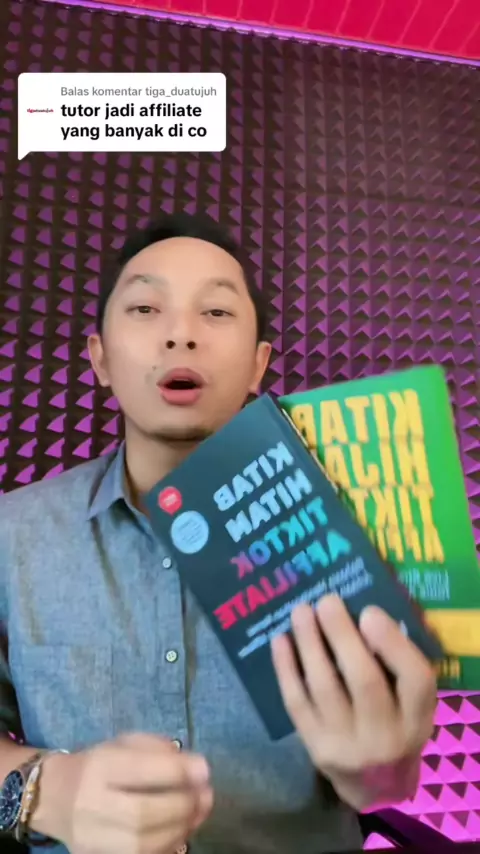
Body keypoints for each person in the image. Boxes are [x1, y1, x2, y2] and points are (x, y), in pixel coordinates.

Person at [0, 212, 437, 854]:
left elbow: (385, 787)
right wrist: (46, 791)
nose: (181, 334)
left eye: (216, 312)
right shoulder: (13, 533)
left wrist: (381, 775)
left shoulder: (357, 528)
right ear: (100, 357)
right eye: (145, 308)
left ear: (259, 363)